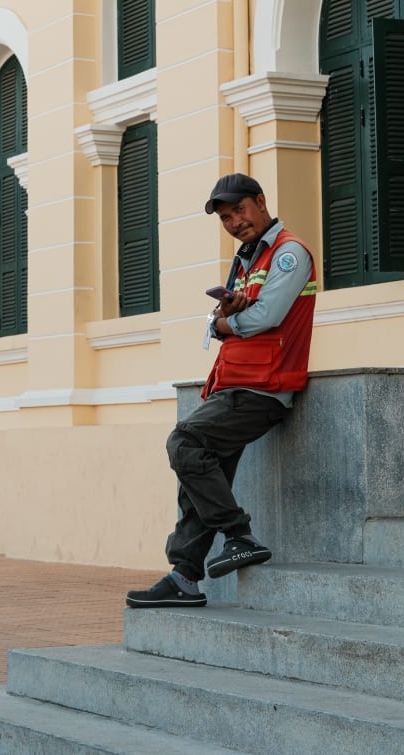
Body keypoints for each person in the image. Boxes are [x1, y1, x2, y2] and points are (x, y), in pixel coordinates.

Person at [126, 173, 316, 608]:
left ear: (261, 202)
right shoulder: (247, 259)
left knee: (185, 443)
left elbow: (267, 315)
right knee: (198, 480)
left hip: (263, 388)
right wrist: (226, 313)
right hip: (233, 383)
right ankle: (185, 579)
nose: (234, 222)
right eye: (226, 217)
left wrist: (222, 322)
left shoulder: (289, 254)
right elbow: (238, 315)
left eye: (239, 211)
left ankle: (239, 534)